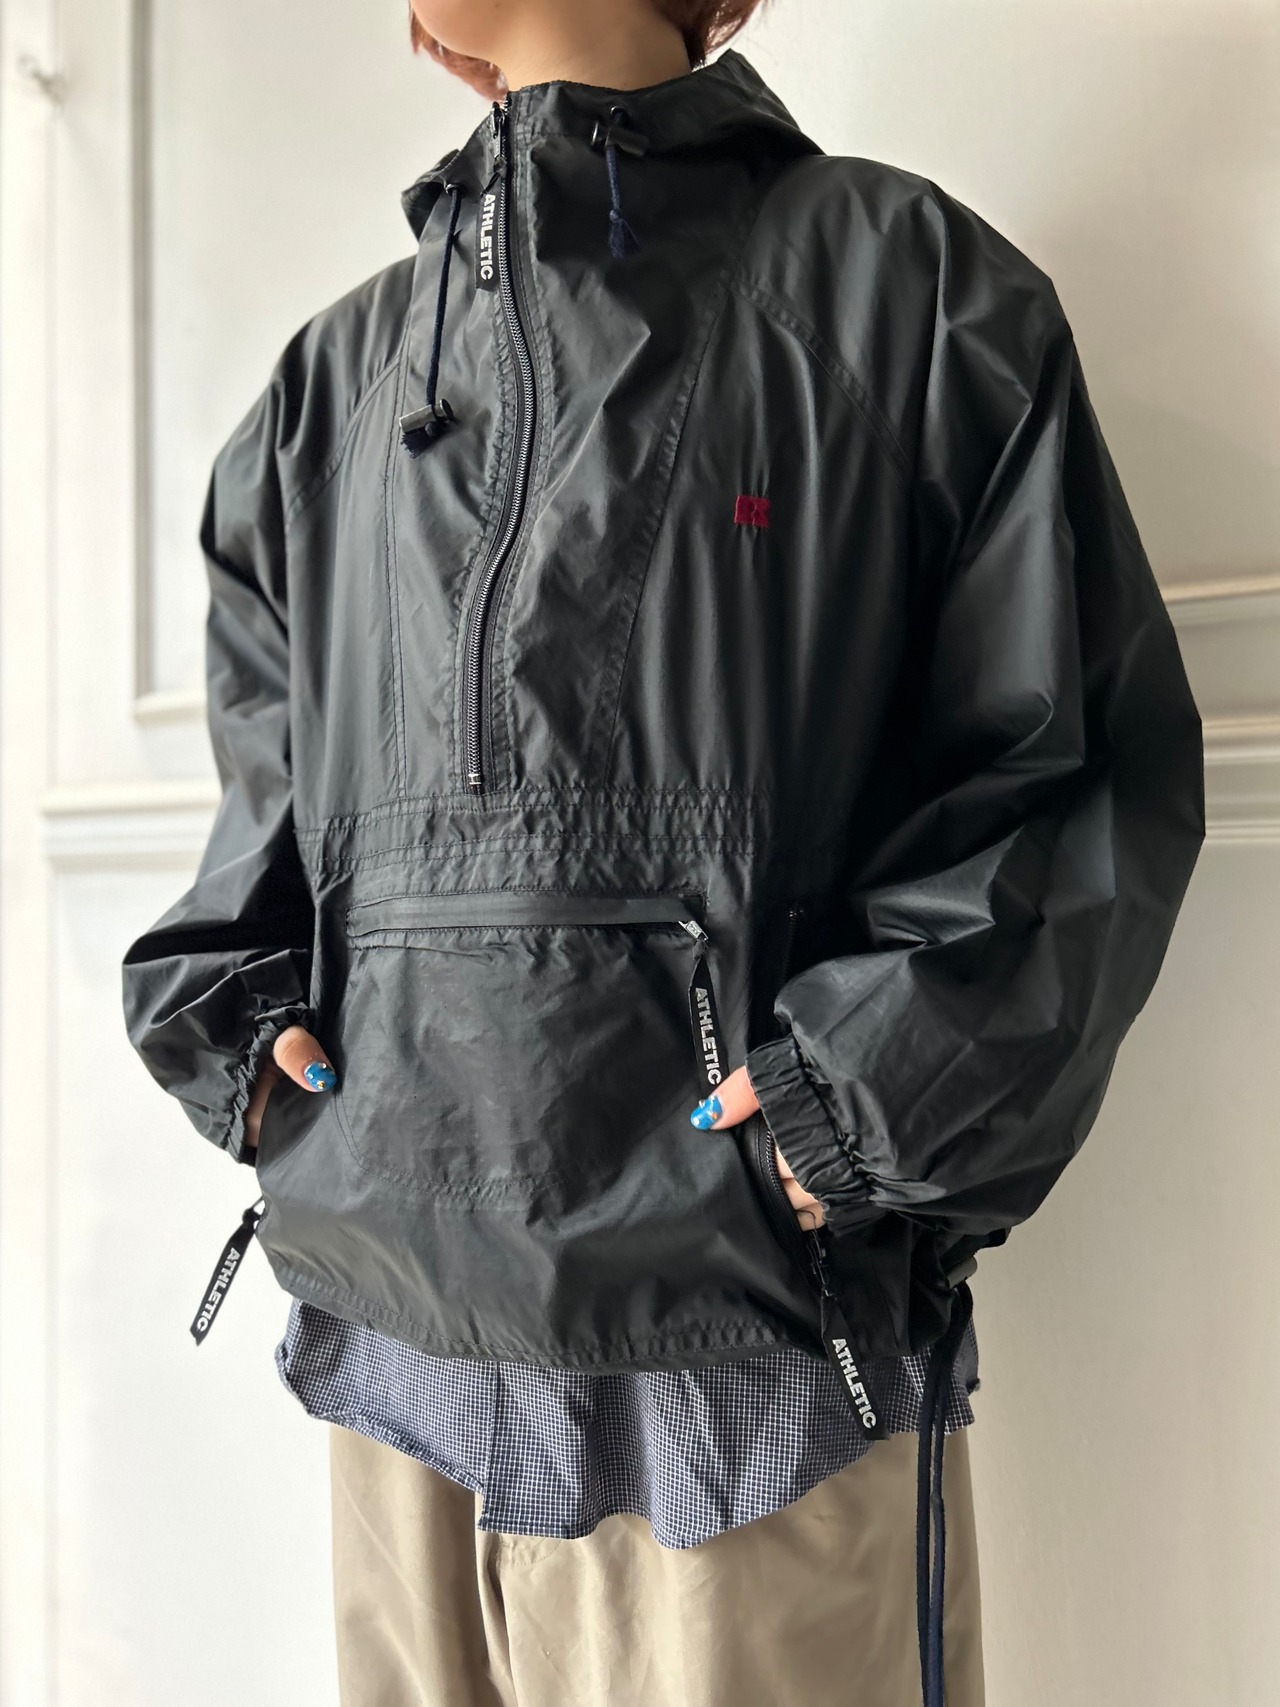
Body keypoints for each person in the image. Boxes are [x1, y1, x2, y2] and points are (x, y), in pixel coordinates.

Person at [120, 1, 1205, 1703]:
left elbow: (1072, 781)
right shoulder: (331, 387)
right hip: (396, 1352)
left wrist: (854, 1110)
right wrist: (251, 1044)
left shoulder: (908, 291)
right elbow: (268, 827)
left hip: (748, 1370)